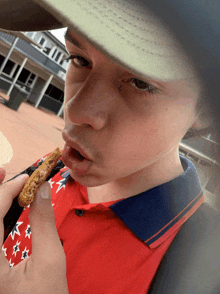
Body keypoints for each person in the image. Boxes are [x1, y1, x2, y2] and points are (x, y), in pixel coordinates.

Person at [0, 0, 219, 293]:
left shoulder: (201, 270)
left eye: (140, 83)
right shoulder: (50, 171)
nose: (75, 109)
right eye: (80, 60)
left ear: (205, 110)